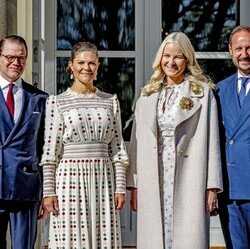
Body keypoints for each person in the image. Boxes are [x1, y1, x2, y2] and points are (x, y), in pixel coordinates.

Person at [127, 32, 223, 249]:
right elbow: (136, 143)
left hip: (190, 175)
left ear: (187, 59)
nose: (171, 62)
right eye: (167, 56)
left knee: (187, 236)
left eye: (178, 57)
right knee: (155, 237)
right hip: (154, 175)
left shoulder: (203, 93)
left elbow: (212, 141)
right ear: (160, 58)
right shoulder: (147, 96)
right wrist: (134, 185)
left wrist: (212, 186)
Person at [40, 41, 129, 248]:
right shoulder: (57, 102)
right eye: (81, 63)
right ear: (70, 65)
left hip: (103, 179)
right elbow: (50, 152)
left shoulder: (110, 100)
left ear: (98, 66)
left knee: (102, 237)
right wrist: (48, 191)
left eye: (91, 63)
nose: (86, 68)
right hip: (69, 179)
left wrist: (120, 187)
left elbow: (117, 148)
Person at [0, 35, 48, 249]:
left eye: (21, 58)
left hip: (26, 188)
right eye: (10, 57)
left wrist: (46, 192)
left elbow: (44, 148)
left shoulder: (40, 98)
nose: (15, 63)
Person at [216, 25, 250, 248]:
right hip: (229, 187)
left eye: (249, 48)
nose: (244, 54)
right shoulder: (219, 89)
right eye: (239, 48)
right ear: (230, 50)